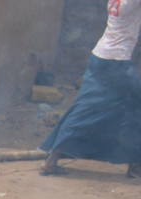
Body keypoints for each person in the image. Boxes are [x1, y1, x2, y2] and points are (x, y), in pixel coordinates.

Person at [40, 0, 141, 179]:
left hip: (99, 57)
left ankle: (52, 158)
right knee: (135, 110)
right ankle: (135, 165)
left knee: (84, 108)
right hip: (117, 63)